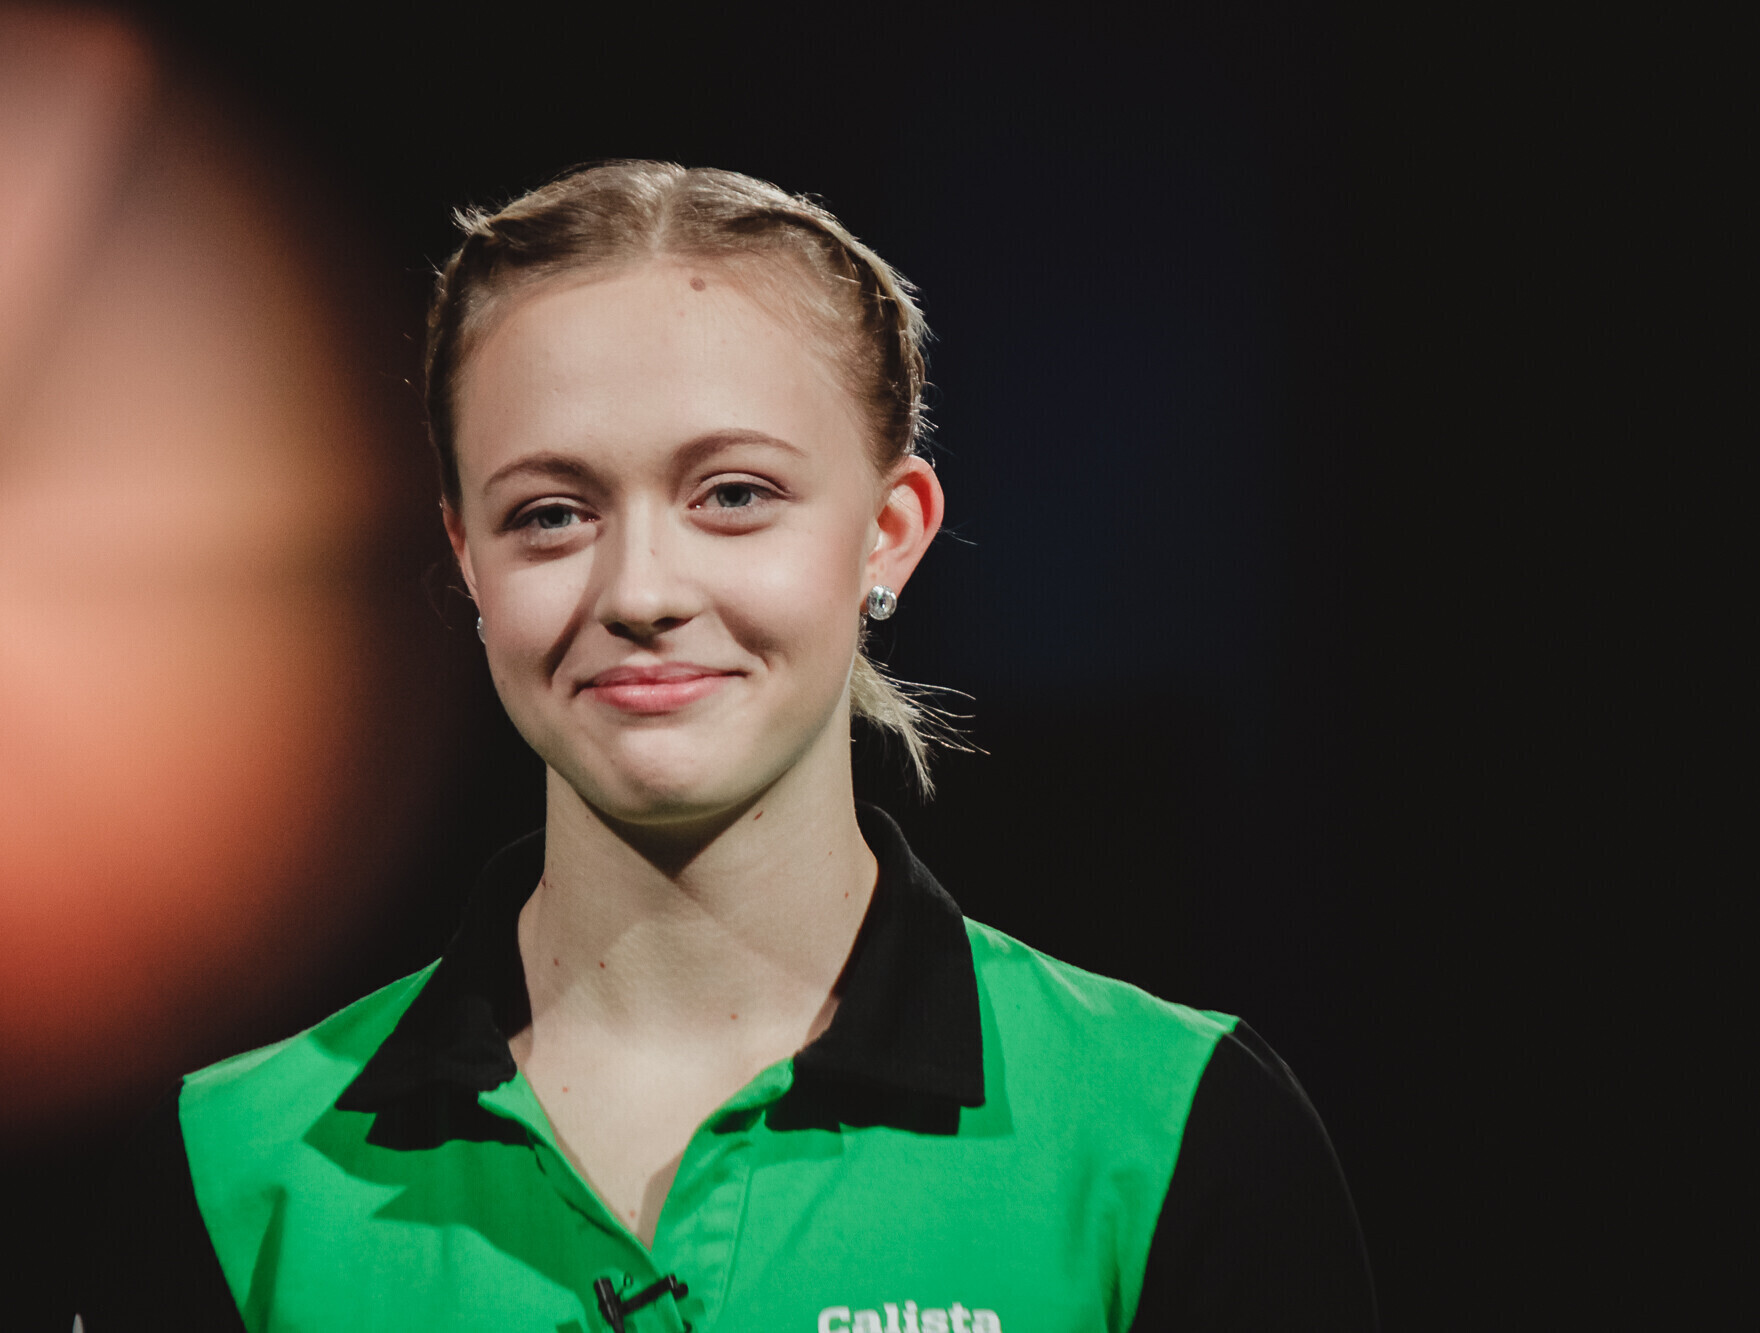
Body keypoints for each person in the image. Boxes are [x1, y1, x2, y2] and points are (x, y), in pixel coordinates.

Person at [77, 161, 1376, 1332]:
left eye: (735, 495)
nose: (640, 589)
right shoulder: (230, 1173)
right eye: (549, 513)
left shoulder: (1175, 1134)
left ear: (889, 532)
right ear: (467, 557)